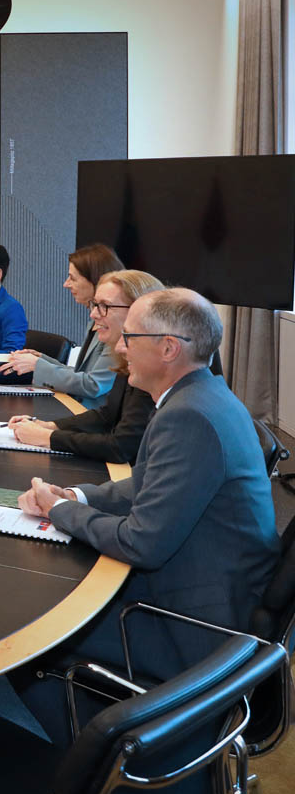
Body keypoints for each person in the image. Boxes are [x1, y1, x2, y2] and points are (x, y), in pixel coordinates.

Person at [17, 288, 278, 680]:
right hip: (206, 588)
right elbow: (144, 485)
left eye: (131, 338)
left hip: (193, 626)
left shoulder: (189, 417)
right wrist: (74, 495)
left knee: (34, 622)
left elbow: (141, 543)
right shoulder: (198, 396)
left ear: (169, 348)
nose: (120, 348)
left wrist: (60, 512)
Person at [7, 270, 163, 464]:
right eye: (95, 305)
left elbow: (122, 447)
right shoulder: (127, 358)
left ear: (138, 311)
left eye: (105, 306)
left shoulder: (151, 369)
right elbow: (107, 415)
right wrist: (49, 426)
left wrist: (47, 438)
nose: (93, 314)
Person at [0, 243, 124, 407]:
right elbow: (81, 374)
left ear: (96, 280)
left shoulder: (116, 328)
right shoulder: (94, 320)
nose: (66, 284)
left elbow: (93, 385)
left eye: (73, 278)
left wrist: (38, 365)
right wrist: (41, 360)